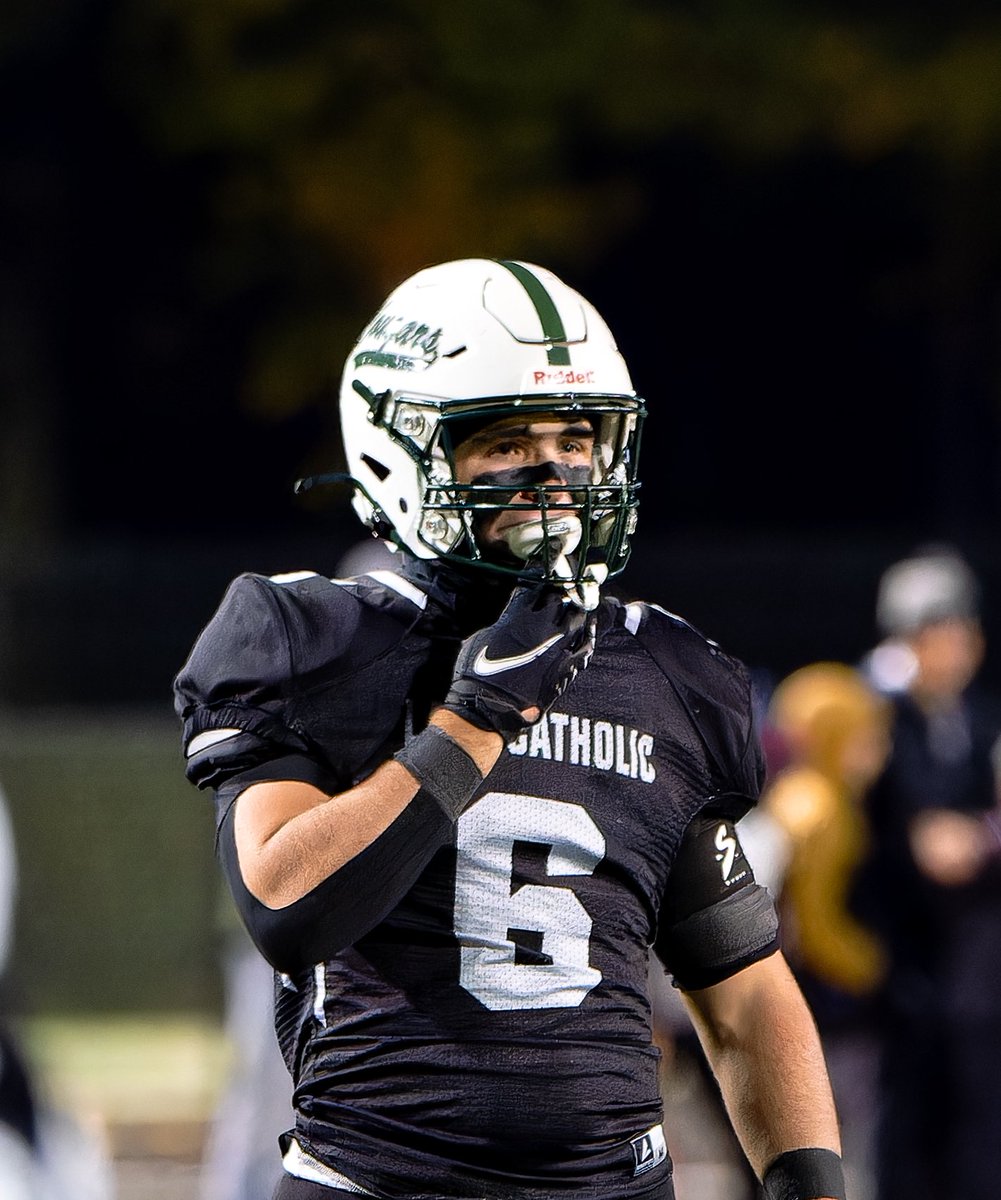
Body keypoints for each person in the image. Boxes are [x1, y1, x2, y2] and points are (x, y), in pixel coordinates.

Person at [173, 257, 846, 1200]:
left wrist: (808, 1182)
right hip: (380, 1181)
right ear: (400, 449)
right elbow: (289, 907)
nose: (554, 472)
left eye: (576, 437)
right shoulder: (311, 637)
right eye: (503, 441)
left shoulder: (664, 668)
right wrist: (480, 714)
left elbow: (741, 989)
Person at [858, 547, 1001, 1200]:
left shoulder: (975, 719)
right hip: (908, 956)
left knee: (975, 1116)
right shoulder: (883, 718)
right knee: (910, 1118)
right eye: (931, 634)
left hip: (974, 960)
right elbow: (930, 848)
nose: (952, 647)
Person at [761, 663, 892, 1200]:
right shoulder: (819, 809)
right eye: (867, 736)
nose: (879, 750)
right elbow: (816, 927)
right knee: (838, 1151)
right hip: (825, 1008)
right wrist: (875, 964)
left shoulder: (809, 797)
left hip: (815, 1002)